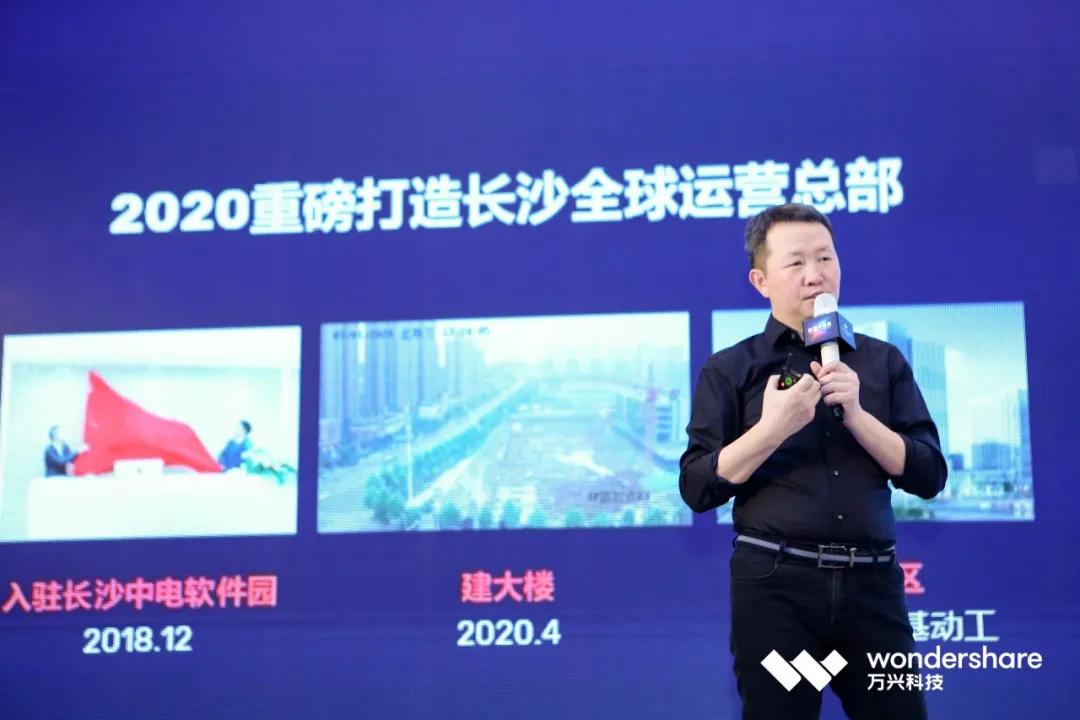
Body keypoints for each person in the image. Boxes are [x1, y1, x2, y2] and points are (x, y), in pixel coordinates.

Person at [679, 203, 947, 719]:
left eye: (825, 258)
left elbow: (929, 474)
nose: (815, 275)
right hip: (776, 592)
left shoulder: (881, 361)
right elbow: (697, 486)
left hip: (872, 592)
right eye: (796, 262)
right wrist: (773, 428)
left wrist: (859, 416)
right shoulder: (730, 368)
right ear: (760, 280)